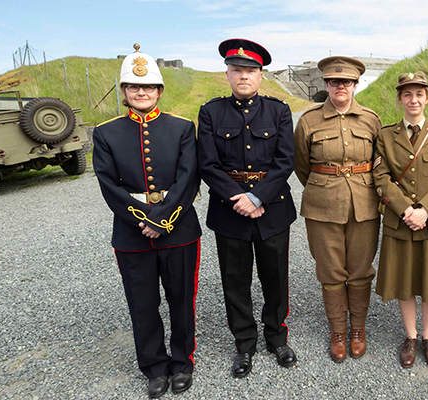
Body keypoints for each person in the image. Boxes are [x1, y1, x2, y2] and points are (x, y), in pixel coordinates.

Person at [92, 44, 201, 398]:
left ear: (159, 91)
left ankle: (183, 361)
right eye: (134, 87)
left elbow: (189, 179)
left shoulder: (183, 127)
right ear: (124, 92)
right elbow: (109, 185)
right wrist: (145, 220)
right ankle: (154, 366)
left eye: (149, 87)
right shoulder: (106, 133)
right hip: (131, 233)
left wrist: (164, 219)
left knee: (182, 298)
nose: (142, 92)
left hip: (179, 230)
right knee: (142, 302)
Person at [197, 39, 297, 375]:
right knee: (235, 280)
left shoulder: (278, 111)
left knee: (276, 277)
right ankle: (244, 344)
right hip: (230, 210)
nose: (244, 76)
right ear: (227, 74)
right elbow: (208, 164)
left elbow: (285, 161)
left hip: (272, 208)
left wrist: (257, 197)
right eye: (237, 70)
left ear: (260, 75)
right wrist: (238, 197)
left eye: (250, 71)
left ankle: (277, 338)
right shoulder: (211, 112)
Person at [294, 56, 382, 363]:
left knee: (360, 271)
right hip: (322, 206)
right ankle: (338, 331)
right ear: (326, 84)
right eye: (334, 81)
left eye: (346, 81)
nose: (340, 86)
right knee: (330, 272)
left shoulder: (371, 119)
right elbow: (302, 165)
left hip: (364, 204)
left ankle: (357, 329)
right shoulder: (309, 120)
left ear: (356, 84)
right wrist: (325, 186)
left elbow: (380, 163)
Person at [373, 71, 428, 369]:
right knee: (405, 280)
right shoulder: (385, 136)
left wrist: (425, 210)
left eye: (419, 94)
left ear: (427, 98)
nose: (414, 100)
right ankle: (410, 336)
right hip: (401, 222)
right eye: (407, 94)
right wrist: (405, 210)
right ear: (399, 98)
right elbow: (381, 178)